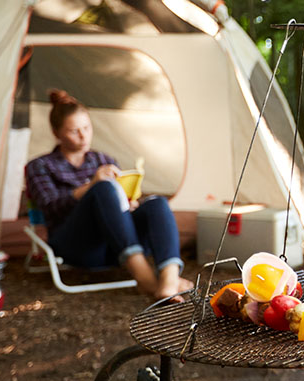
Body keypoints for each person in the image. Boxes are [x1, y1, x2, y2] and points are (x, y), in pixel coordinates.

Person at [25, 89, 192, 301]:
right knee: (102, 189)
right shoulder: (40, 166)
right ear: (57, 133)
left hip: (115, 242)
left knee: (156, 203)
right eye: (74, 131)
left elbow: (119, 203)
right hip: (76, 244)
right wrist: (91, 186)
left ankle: (168, 282)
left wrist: (127, 204)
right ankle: (146, 279)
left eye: (86, 128)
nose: (83, 136)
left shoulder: (104, 159)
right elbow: (51, 207)